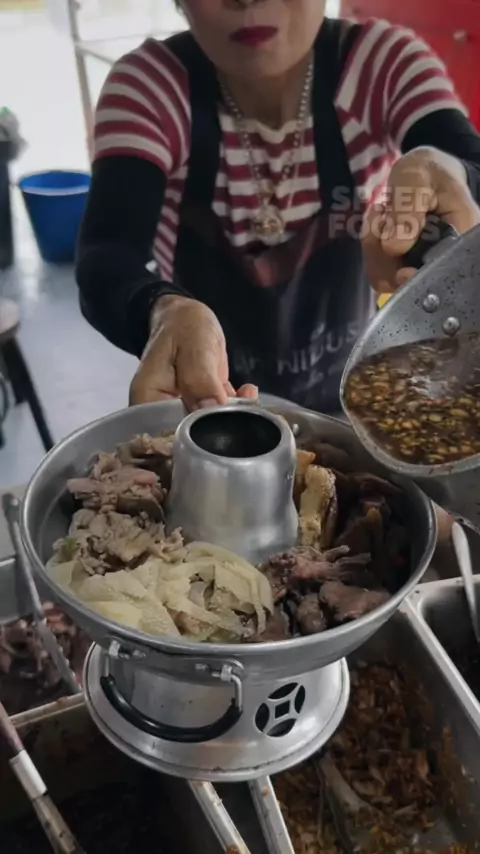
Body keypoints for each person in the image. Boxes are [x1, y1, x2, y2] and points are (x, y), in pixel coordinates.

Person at [77, 0, 480, 414]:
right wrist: (164, 309)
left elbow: (467, 160)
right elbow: (108, 254)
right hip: (211, 405)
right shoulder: (152, 87)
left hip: (349, 391)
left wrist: (455, 175)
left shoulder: (381, 65)